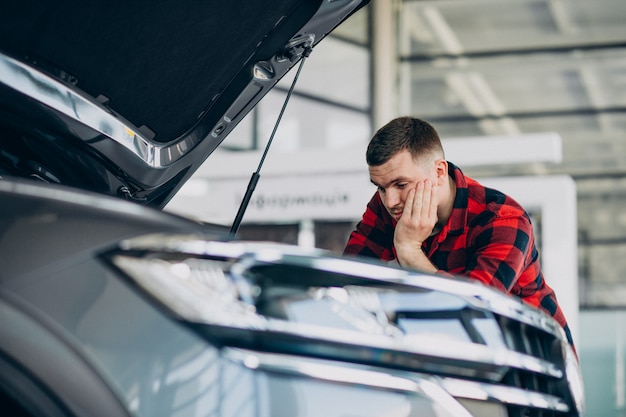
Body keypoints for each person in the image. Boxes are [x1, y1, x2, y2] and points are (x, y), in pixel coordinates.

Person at [343, 116, 574, 346]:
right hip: (463, 351)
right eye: (381, 188)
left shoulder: (502, 218)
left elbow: (473, 309)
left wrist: (409, 250)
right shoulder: (390, 205)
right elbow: (347, 281)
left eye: (401, 185)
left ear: (440, 172)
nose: (390, 200)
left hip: (534, 357)